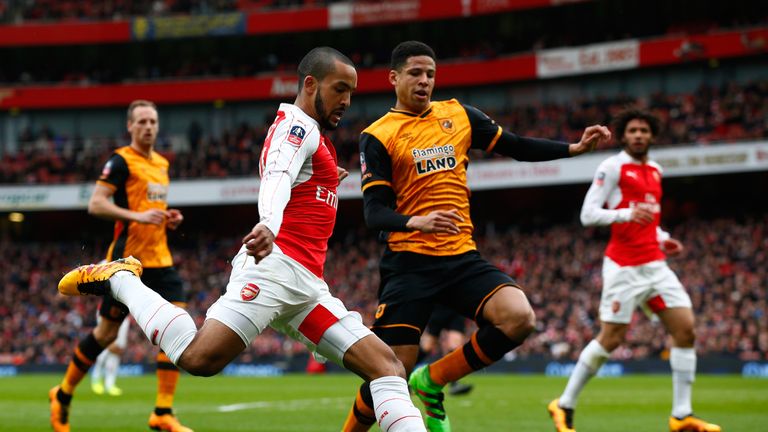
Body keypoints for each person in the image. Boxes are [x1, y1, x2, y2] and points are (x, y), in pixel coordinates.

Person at [57, 47, 427, 432]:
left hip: (307, 288)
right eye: (339, 89)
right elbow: (278, 176)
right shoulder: (296, 126)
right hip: (275, 270)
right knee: (199, 358)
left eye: (351, 92)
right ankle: (122, 280)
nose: (347, 101)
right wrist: (268, 221)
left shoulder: (313, 138)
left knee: (386, 367)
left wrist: (326, 178)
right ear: (310, 84)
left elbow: (294, 177)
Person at [341, 40, 611, 432]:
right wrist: (417, 221)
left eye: (430, 74)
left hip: (461, 257)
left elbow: (516, 145)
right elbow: (374, 212)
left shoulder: (458, 115)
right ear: (394, 78)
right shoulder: (378, 135)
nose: (424, 81)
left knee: (519, 318)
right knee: (388, 375)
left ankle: (433, 381)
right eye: (415, 73)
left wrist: (574, 148)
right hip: (409, 265)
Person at [547, 109, 721, 432]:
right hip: (623, 267)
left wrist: (663, 238)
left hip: (655, 265)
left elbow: (649, 219)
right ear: (624, 135)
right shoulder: (611, 167)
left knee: (685, 329)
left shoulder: (655, 170)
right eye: (632, 130)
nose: (639, 135)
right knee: (611, 338)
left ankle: (681, 416)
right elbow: (588, 215)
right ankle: (564, 403)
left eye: (644, 130)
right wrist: (626, 214)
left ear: (652, 135)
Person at [49, 100, 191, 432]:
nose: (148, 127)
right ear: (130, 126)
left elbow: (151, 207)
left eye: (153, 121)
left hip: (161, 260)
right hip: (126, 265)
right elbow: (96, 204)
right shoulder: (120, 161)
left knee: (178, 327)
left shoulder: (162, 164)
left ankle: (163, 412)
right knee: (106, 334)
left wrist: (167, 219)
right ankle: (63, 394)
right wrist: (137, 217)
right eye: (141, 121)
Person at [419, 305, 473, 396]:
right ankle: (405, 377)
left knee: (455, 346)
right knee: (427, 346)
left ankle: (454, 383)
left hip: (456, 309)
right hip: (439, 309)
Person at [90, 316, 130, 396]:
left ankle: (110, 385)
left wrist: (120, 346)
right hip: (110, 314)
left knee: (113, 362)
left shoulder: (126, 320)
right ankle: (96, 381)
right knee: (101, 357)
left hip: (122, 315)